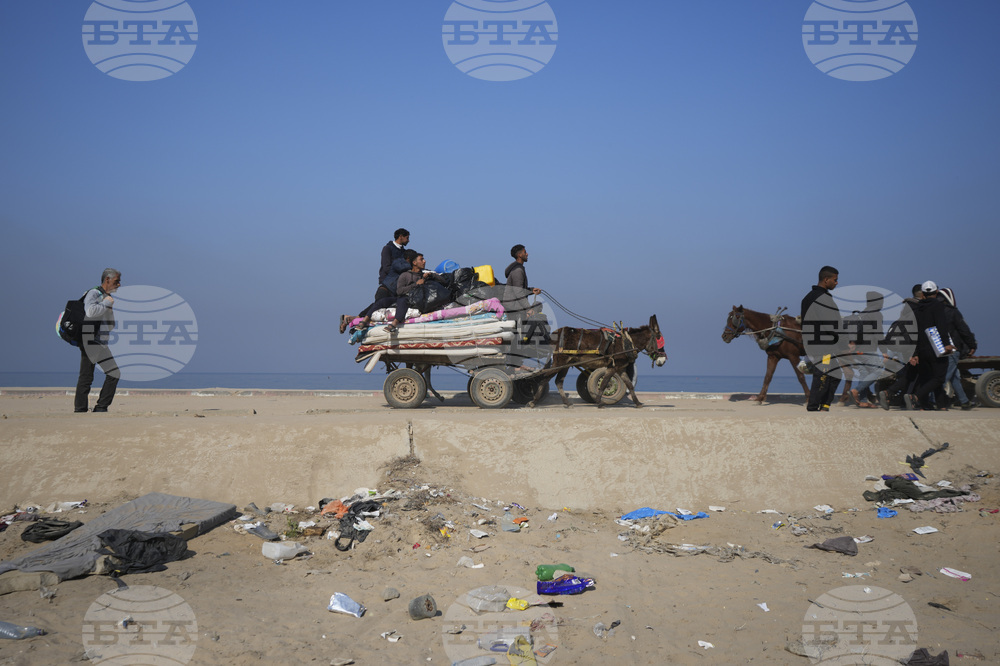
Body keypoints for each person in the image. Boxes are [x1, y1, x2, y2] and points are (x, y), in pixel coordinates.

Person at [74, 268, 121, 413]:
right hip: (90, 341)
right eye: (116, 281)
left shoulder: (107, 297)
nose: (119, 284)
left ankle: (99, 407)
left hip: (100, 342)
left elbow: (110, 326)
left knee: (113, 373)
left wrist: (109, 310)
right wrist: (106, 303)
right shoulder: (94, 293)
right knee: (87, 376)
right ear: (107, 279)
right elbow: (90, 311)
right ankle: (82, 409)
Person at [906, 281, 956, 410]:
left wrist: (915, 352)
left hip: (921, 348)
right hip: (936, 347)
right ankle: (915, 397)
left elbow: (915, 331)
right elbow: (941, 325)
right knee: (939, 377)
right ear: (937, 292)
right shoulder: (937, 305)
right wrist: (946, 344)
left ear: (923, 294)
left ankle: (936, 405)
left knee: (926, 377)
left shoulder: (918, 307)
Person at [801, 266, 843, 412]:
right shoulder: (822, 299)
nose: (837, 283)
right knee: (823, 375)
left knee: (835, 374)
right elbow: (831, 324)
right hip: (823, 346)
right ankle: (813, 407)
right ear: (826, 280)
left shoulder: (808, 297)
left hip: (816, 344)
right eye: (835, 280)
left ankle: (824, 406)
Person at [878, 284, 923, 410]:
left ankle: (894, 395)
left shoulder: (907, 308)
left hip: (903, 347)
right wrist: (914, 353)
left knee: (910, 374)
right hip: (911, 348)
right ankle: (909, 400)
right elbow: (914, 334)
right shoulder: (917, 310)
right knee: (915, 374)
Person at [503, 244, 549, 345]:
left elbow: (519, 289)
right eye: (525, 252)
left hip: (514, 306)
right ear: (519, 255)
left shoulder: (518, 269)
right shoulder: (518, 271)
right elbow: (518, 292)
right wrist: (529, 308)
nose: (527, 254)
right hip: (513, 308)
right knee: (517, 336)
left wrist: (531, 290)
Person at [940, 287, 977, 410]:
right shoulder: (953, 312)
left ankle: (964, 402)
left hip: (938, 348)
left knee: (954, 376)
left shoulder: (935, 312)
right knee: (945, 376)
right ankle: (935, 401)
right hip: (953, 349)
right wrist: (972, 345)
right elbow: (964, 330)